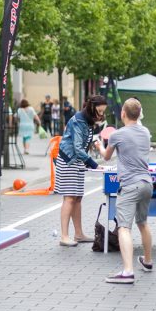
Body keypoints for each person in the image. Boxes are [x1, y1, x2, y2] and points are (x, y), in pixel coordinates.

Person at [97, 98, 153, 283]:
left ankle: (128, 271)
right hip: (147, 183)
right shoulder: (146, 132)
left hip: (129, 185)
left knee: (123, 227)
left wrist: (99, 145)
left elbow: (106, 157)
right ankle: (148, 261)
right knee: (143, 223)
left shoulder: (117, 135)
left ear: (123, 113)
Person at [54, 95, 107, 247]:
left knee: (77, 198)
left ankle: (78, 234)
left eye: (103, 112)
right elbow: (77, 147)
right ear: (92, 108)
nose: (101, 115)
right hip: (68, 160)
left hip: (76, 161)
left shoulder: (87, 121)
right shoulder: (79, 120)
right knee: (69, 198)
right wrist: (93, 164)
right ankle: (64, 236)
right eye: (100, 111)